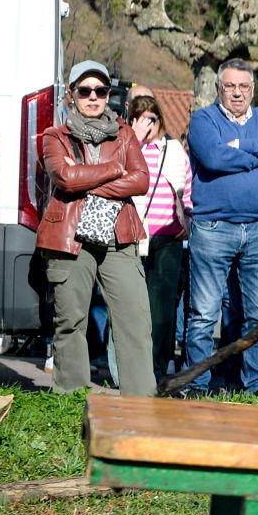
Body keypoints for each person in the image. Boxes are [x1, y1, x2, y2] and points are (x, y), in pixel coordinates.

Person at [37, 61, 153, 396]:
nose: (93, 97)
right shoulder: (54, 136)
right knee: (70, 321)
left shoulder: (125, 134)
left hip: (119, 237)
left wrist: (87, 177)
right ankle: (70, 398)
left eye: (100, 91)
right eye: (85, 90)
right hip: (70, 237)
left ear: (108, 95)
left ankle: (142, 401)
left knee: (134, 319)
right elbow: (65, 178)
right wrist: (116, 169)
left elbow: (140, 180)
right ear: (71, 95)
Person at [183, 58, 258, 398]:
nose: (237, 93)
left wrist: (239, 147)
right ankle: (196, 383)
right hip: (213, 228)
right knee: (204, 313)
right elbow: (213, 158)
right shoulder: (203, 120)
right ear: (218, 88)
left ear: (253, 89)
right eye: (229, 86)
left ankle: (255, 384)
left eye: (243, 86)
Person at [127, 94, 190, 379]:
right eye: (140, 119)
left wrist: (187, 220)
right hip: (135, 236)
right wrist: (135, 138)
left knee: (161, 307)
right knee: (133, 306)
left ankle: (156, 367)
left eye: (152, 118)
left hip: (167, 235)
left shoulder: (173, 150)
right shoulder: (128, 147)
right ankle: (133, 367)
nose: (148, 125)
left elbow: (187, 186)